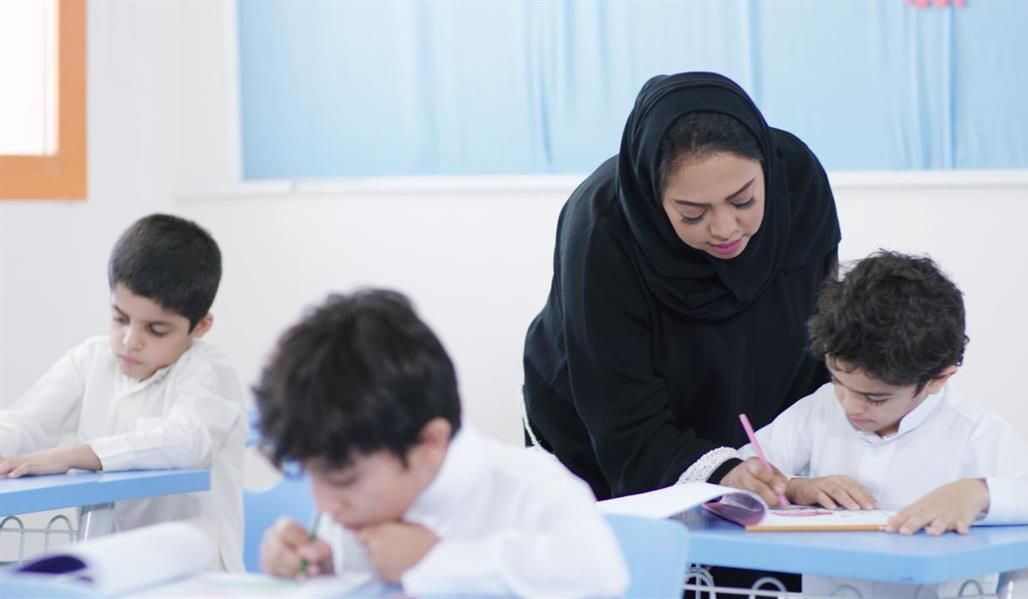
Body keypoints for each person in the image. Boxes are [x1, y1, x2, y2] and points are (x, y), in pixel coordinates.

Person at [523, 71, 840, 502]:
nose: (725, 228)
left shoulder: (798, 183)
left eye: (744, 201)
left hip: (761, 433)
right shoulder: (602, 229)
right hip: (602, 438)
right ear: (653, 197)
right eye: (693, 213)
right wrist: (723, 470)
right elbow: (621, 416)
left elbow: (816, 338)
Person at [255, 289, 628, 596]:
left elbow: (601, 576)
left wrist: (435, 559)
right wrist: (314, 567)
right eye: (311, 475)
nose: (324, 504)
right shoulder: (352, 501)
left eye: (343, 479)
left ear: (430, 443)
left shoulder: (529, 489)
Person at [741, 250, 1028, 598]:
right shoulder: (820, 408)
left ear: (938, 379)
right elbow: (747, 468)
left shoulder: (974, 432)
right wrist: (794, 486)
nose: (850, 405)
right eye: (838, 382)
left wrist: (979, 493)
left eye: (875, 398)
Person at [0, 214, 247, 571]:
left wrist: (71, 455)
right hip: (114, 571)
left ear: (201, 325)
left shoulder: (208, 371)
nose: (131, 341)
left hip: (196, 576)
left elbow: (184, 443)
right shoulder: (91, 359)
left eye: (156, 330)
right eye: (120, 318)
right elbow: (24, 423)